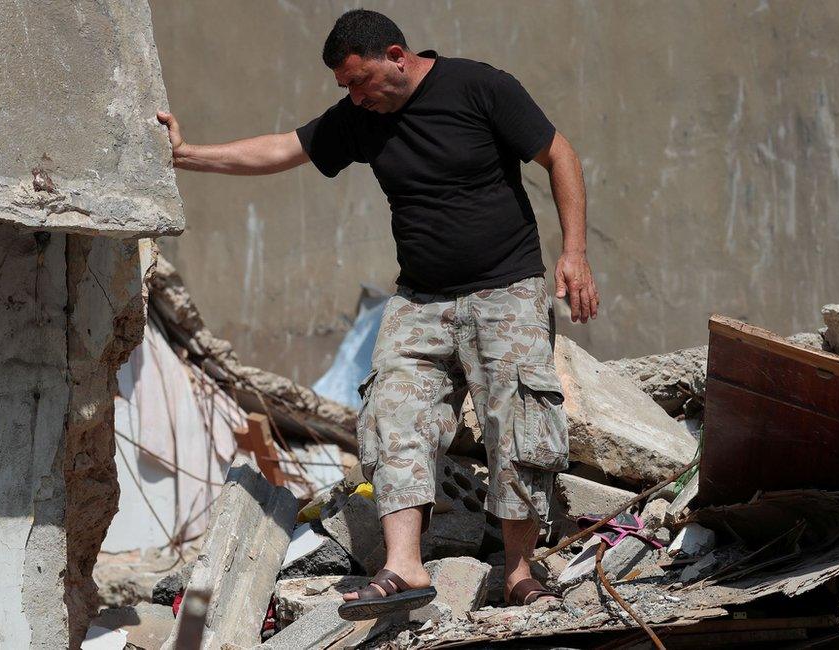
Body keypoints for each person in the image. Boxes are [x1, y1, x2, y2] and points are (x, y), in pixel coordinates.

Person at [157, 8, 599, 621]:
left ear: (397, 55)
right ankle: (404, 567)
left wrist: (573, 254)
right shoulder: (361, 120)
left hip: (507, 289)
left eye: (359, 82)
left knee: (518, 424)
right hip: (420, 298)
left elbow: (561, 156)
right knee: (392, 410)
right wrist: (185, 155)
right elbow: (283, 148)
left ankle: (521, 574)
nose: (354, 97)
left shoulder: (479, 86)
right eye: (345, 88)